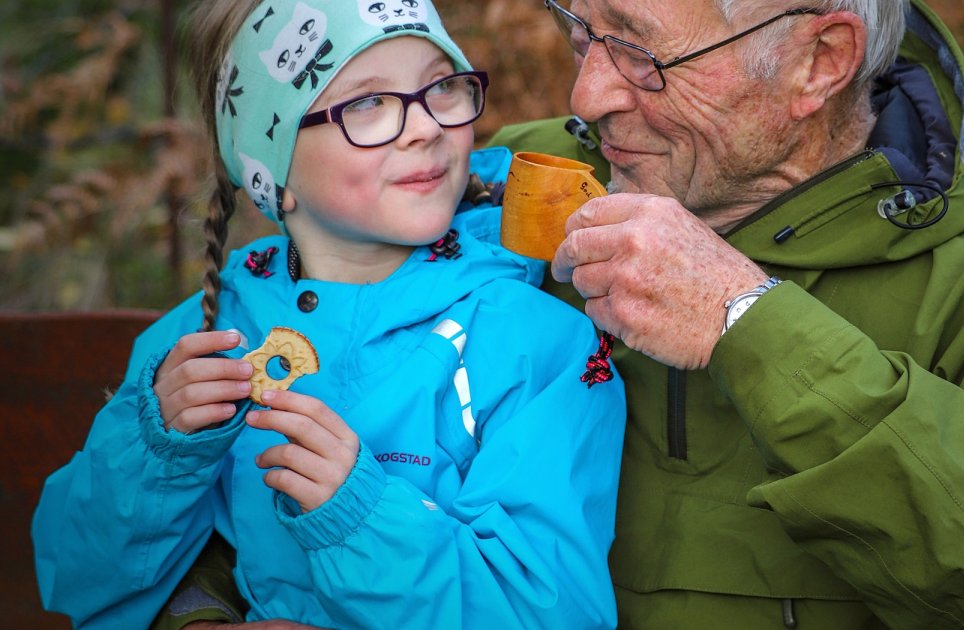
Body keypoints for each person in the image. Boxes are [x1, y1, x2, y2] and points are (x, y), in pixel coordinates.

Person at [155, 0, 964, 628]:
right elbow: (250, 393)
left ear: (820, 60)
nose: (587, 89)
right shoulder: (503, 182)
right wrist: (201, 619)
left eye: (642, 52)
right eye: (582, 29)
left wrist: (753, 325)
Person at [30, 1, 626, 628]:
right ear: (274, 170)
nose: (425, 127)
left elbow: (552, 612)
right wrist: (159, 455)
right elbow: (76, 577)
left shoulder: (537, 348)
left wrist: (360, 517)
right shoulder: (205, 341)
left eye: (441, 86)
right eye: (367, 103)